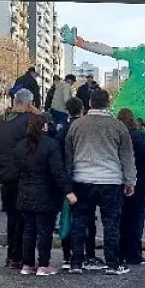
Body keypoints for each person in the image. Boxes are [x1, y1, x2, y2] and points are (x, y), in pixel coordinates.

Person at [65, 89, 137, 275]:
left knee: (79, 222)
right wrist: (130, 181)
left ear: (89, 102)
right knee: (111, 223)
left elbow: (68, 154)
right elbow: (127, 156)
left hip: (81, 179)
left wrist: (67, 183)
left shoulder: (77, 125)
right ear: (108, 104)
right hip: (110, 180)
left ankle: (76, 262)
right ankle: (113, 264)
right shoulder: (118, 126)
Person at [13, 113, 75, 276]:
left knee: (29, 230)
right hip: (45, 193)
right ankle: (43, 264)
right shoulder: (50, 145)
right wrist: (68, 191)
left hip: (25, 193)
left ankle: (27, 264)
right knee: (44, 231)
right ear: (45, 127)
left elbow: (16, 170)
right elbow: (58, 171)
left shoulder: (20, 146)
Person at [0, 89, 35, 269]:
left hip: (4, 175)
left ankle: (11, 255)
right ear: (28, 103)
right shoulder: (27, 121)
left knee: (11, 217)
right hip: (21, 175)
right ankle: (19, 256)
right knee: (23, 218)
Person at [56, 97, 98, 270]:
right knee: (87, 219)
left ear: (67, 111)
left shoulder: (63, 131)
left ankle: (67, 256)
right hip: (85, 178)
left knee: (67, 218)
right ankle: (88, 254)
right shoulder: (86, 130)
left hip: (67, 180)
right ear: (82, 110)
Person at [118, 108, 145, 266]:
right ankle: (134, 254)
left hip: (118, 181)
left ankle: (119, 253)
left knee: (120, 219)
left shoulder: (117, 135)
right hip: (139, 181)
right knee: (136, 219)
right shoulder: (140, 136)